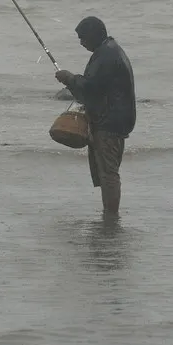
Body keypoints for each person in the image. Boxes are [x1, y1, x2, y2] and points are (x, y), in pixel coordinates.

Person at [55, 16, 135, 215]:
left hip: (110, 122)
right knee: (107, 171)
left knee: (108, 173)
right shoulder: (109, 50)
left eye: (83, 38)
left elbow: (91, 89)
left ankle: (111, 217)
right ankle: (110, 212)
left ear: (93, 36)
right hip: (116, 119)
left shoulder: (107, 56)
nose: (81, 43)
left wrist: (70, 79)